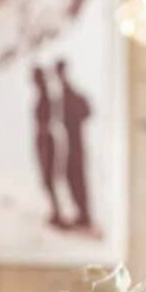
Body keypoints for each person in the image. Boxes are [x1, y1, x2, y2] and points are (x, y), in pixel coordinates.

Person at [55, 59, 93, 229]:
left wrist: (74, 124)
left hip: (75, 145)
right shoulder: (63, 94)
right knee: (73, 178)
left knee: (77, 179)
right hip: (70, 144)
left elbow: (86, 111)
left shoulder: (69, 94)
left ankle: (84, 215)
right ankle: (82, 213)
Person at [30, 66, 64, 228]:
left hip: (46, 140)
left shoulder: (45, 96)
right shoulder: (44, 94)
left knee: (48, 179)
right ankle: (56, 212)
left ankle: (57, 213)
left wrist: (43, 140)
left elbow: (47, 120)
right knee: (47, 180)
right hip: (44, 139)